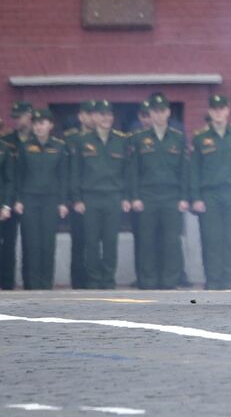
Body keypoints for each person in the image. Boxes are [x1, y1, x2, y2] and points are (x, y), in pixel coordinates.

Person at [126, 93, 188, 289]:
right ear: (150, 114)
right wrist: (134, 196)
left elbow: (184, 170)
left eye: (162, 111)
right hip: (147, 196)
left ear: (168, 112)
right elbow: (132, 170)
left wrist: (184, 197)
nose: (159, 115)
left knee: (171, 241)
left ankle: (170, 281)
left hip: (171, 196)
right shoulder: (138, 139)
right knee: (147, 241)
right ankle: (147, 281)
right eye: (155, 111)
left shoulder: (178, 138)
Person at [71, 100, 129, 290]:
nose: (106, 118)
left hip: (113, 197)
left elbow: (127, 171)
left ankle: (108, 281)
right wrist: (77, 198)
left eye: (109, 115)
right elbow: (75, 172)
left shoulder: (121, 140)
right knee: (92, 243)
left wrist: (126, 197)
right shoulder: (82, 141)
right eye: (102, 115)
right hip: (91, 198)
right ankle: (94, 282)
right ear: (94, 117)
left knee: (111, 242)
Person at [190, 94, 231, 290]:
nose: (218, 112)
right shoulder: (200, 138)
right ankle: (212, 280)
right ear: (210, 112)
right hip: (209, 195)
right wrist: (195, 197)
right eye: (214, 109)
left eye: (222, 108)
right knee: (211, 238)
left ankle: (226, 280)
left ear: (228, 110)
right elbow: (193, 170)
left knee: (227, 239)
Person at [13, 108, 69, 289]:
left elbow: (63, 176)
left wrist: (62, 201)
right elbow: (18, 176)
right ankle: (31, 283)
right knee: (31, 243)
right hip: (29, 200)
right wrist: (18, 199)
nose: (38, 127)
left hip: (51, 200)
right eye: (35, 124)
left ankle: (46, 284)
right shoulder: (25, 146)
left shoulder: (59, 146)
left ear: (50, 125)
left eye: (42, 123)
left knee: (48, 243)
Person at [0, 101, 35, 289]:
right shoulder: (8, 141)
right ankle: (7, 282)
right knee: (8, 244)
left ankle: (30, 282)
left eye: (19, 117)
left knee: (31, 243)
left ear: (29, 115)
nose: (16, 121)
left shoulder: (37, 139)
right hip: (10, 200)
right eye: (14, 117)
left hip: (31, 198)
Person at [65, 101, 95, 289]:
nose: (93, 117)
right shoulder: (71, 139)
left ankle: (91, 279)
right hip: (75, 197)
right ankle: (77, 281)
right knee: (78, 240)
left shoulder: (100, 139)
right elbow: (68, 170)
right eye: (89, 113)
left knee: (93, 241)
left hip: (94, 196)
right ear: (81, 116)